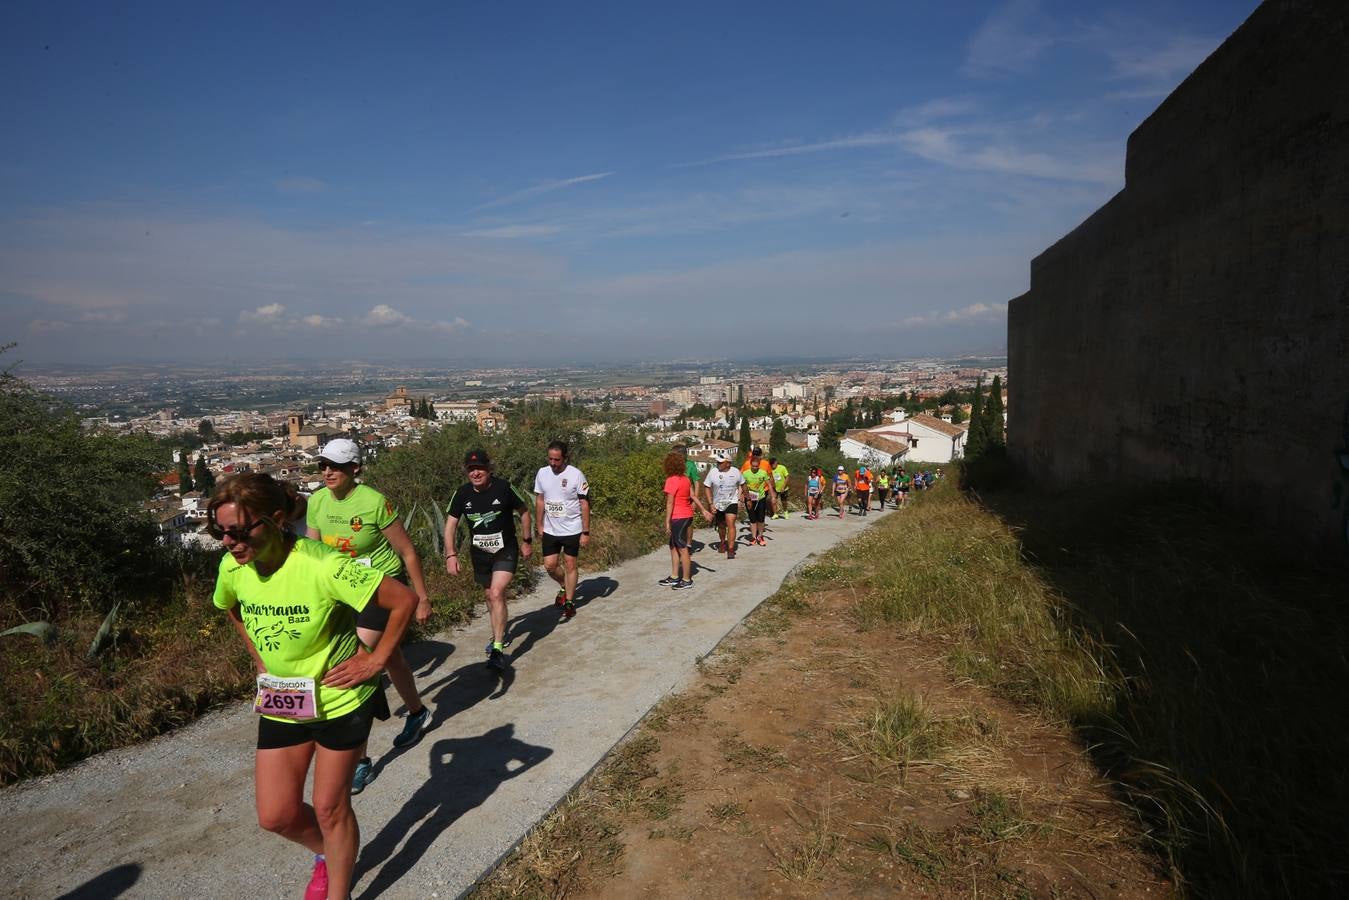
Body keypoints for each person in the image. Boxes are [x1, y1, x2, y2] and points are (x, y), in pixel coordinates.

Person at [210, 473, 416, 900]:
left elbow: (403, 600)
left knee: (329, 807)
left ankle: (339, 889)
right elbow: (230, 607)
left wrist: (375, 661)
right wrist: (260, 659)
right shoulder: (233, 566)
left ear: (278, 519)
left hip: (340, 699)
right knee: (277, 815)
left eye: (239, 531)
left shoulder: (322, 564)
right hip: (284, 699)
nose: (229, 542)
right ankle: (332, 854)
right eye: (220, 532)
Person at [305, 439, 431, 794]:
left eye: (336, 466)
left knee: (359, 665)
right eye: (323, 465)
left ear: (355, 469)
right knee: (391, 658)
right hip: (344, 590)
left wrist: (421, 597)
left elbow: (407, 551)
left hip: (382, 589)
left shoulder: (374, 502)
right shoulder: (316, 501)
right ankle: (418, 713)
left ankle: (360, 761)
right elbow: (314, 554)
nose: (327, 472)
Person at [444, 449, 533, 672]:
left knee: (496, 593)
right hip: (480, 554)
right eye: (471, 469)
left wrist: (527, 540)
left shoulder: (504, 488)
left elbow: (524, 511)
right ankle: (498, 634)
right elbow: (450, 526)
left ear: (489, 469)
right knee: (489, 596)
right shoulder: (462, 494)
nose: (476, 473)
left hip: (506, 549)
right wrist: (450, 554)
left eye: (480, 468)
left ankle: (497, 648)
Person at [533, 440, 590, 621]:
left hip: (572, 528)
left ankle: (570, 603)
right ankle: (565, 586)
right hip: (551, 528)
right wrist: (539, 524)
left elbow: (584, 503)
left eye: (557, 460)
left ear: (565, 458)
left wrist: (585, 532)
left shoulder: (576, 475)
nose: (553, 463)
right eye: (550, 459)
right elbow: (540, 499)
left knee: (570, 564)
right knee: (549, 565)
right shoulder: (542, 473)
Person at [661, 450, 710, 588]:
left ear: (668, 465)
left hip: (678, 517)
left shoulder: (670, 480)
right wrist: (703, 510)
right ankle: (675, 576)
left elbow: (669, 503)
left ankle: (687, 579)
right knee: (673, 546)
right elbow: (693, 496)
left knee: (682, 548)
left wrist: (667, 522)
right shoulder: (685, 479)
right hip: (687, 515)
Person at [703, 454, 747, 558]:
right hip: (718, 503)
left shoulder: (736, 472)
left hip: (732, 501)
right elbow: (707, 487)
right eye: (717, 462)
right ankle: (723, 541)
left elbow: (743, 484)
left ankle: (731, 549)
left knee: (731, 523)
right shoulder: (713, 472)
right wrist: (710, 504)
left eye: (721, 462)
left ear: (728, 463)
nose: (718, 464)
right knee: (721, 525)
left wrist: (747, 498)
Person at [740, 449, 776, 546]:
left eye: (756, 466)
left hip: (760, 497)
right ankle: (753, 537)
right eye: (753, 466)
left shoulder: (763, 472)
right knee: (752, 518)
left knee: (760, 518)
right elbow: (741, 484)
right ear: (750, 463)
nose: (755, 468)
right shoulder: (745, 472)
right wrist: (740, 496)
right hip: (749, 498)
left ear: (759, 465)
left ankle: (760, 536)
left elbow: (769, 483)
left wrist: (773, 496)